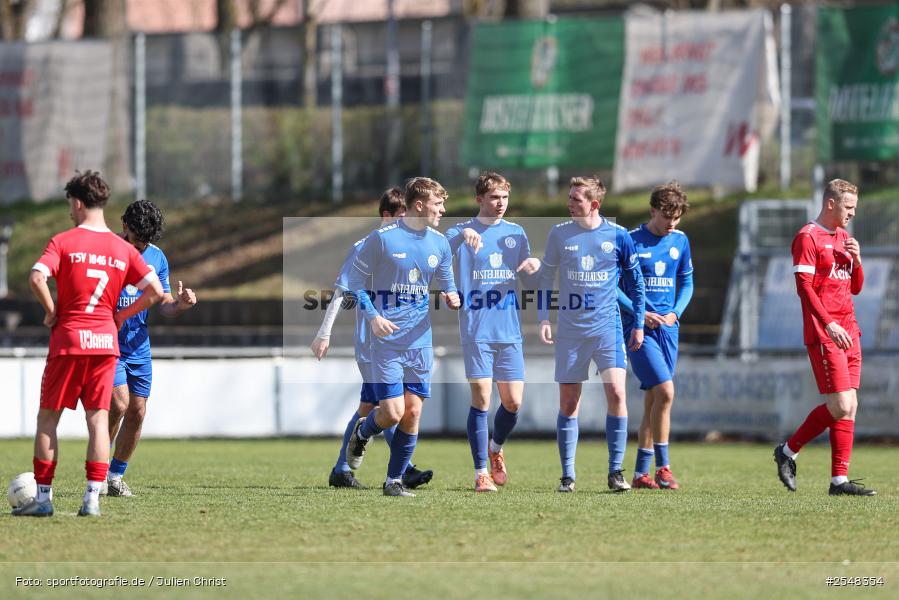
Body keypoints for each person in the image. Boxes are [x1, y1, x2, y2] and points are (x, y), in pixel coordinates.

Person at [13, 171, 163, 517]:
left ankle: (44, 499)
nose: (70, 210)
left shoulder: (63, 241)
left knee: (48, 419)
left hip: (69, 340)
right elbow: (155, 291)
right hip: (105, 342)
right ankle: (92, 499)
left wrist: (51, 311)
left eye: (70, 204)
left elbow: (37, 277)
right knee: (98, 420)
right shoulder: (122, 248)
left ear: (78, 203)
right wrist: (121, 316)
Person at [345, 177, 460, 497]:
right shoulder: (381, 239)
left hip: (420, 341)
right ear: (419, 205)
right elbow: (354, 282)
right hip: (386, 342)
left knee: (413, 412)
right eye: (438, 204)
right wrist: (374, 317)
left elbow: (447, 282)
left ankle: (393, 481)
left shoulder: (440, 243)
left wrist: (452, 296)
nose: (443, 210)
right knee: (392, 413)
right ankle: (363, 432)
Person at [311, 187, 433, 490]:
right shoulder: (367, 245)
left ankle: (342, 470)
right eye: (402, 214)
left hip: (400, 343)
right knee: (390, 407)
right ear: (387, 215)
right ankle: (403, 470)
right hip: (373, 344)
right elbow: (342, 290)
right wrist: (324, 333)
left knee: (370, 407)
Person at [539, 176, 645, 493]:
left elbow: (636, 283)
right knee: (570, 402)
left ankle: (616, 472)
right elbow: (545, 278)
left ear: (594, 204)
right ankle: (567, 476)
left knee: (617, 393)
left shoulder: (619, 236)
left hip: (607, 329)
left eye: (576, 199)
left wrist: (638, 322)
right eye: (569, 197)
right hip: (571, 331)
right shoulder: (559, 234)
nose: (569, 203)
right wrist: (543, 317)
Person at [774, 179, 875, 496]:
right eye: (848, 207)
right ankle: (788, 451)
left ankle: (839, 481)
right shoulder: (808, 237)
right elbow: (804, 288)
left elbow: (855, 287)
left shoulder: (844, 237)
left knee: (850, 405)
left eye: (855, 207)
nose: (852, 213)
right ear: (831, 204)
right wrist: (829, 324)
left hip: (850, 330)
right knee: (840, 403)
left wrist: (857, 261)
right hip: (825, 332)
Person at [445, 172, 540, 492]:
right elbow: (440, 253)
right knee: (482, 398)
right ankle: (480, 473)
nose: (500, 203)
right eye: (494, 197)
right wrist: (464, 235)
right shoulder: (460, 231)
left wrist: (534, 269)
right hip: (477, 328)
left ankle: (495, 448)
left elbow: (529, 283)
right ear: (479, 199)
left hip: (509, 329)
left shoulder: (516, 233)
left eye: (504, 197)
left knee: (513, 403)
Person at [104, 200, 198, 497]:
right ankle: (96, 469)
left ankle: (114, 477)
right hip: (109, 340)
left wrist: (180, 304)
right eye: (135, 240)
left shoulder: (157, 257)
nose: (139, 247)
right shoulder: (107, 251)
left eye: (144, 242)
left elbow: (164, 304)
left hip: (138, 345)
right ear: (124, 226)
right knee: (119, 404)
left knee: (138, 410)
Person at [618, 182, 693, 490]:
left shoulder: (680, 240)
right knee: (666, 391)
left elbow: (687, 283)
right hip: (638, 329)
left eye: (676, 218)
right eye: (666, 217)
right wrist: (640, 314)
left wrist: (676, 312)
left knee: (654, 398)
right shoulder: (630, 240)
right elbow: (614, 288)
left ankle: (640, 473)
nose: (671, 224)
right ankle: (663, 468)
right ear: (652, 211)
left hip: (668, 329)